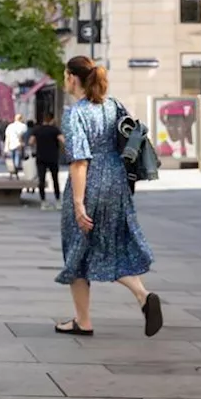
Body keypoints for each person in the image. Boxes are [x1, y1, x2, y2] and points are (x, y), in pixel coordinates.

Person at [56, 56, 162, 339]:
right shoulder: (113, 105)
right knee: (112, 246)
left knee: (78, 247)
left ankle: (83, 320)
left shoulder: (75, 113)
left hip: (89, 184)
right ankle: (142, 294)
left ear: (71, 78)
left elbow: (80, 161)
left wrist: (78, 203)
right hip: (116, 182)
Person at [28, 113, 64, 209]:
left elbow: (31, 142)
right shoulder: (55, 130)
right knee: (55, 179)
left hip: (41, 157)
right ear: (52, 120)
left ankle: (43, 202)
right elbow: (63, 140)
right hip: (52, 157)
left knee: (41, 180)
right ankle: (57, 201)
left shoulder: (37, 130)